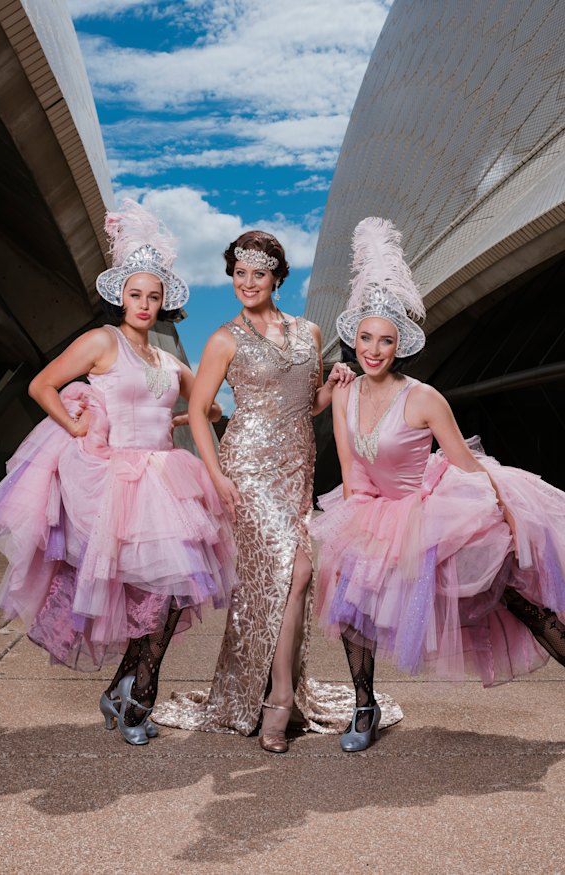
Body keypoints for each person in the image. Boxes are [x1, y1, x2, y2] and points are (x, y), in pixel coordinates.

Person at [0, 199, 236, 745]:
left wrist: (182, 415)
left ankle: (132, 689)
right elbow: (41, 385)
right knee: (143, 594)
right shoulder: (102, 342)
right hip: (116, 482)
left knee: (171, 595)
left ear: (164, 302)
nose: (144, 305)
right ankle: (135, 698)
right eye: (136, 295)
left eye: (153, 296)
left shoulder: (167, 362)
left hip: (165, 480)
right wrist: (75, 429)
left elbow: (208, 407)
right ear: (120, 297)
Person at [311, 216, 565, 752]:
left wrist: (503, 519)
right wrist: (360, 527)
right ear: (352, 338)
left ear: (399, 343)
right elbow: (352, 471)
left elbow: (465, 466)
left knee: (516, 602)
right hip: (373, 508)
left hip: (430, 508)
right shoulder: (345, 392)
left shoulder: (424, 397)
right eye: (365, 338)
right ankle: (364, 706)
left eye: (385, 340)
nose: (373, 350)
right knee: (353, 599)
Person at [152, 230, 403, 752]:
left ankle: (271, 686)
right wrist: (217, 473)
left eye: (258, 274)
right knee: (299, 570)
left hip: (295, 469)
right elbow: (199, 411)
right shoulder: (224, 338)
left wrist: (332, 387)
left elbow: (304, 404)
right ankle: (279, 699)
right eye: (239, 274)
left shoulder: (309, 333)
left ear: (277, 278)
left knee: (284, 582)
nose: (247, 283)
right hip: (246, 468)